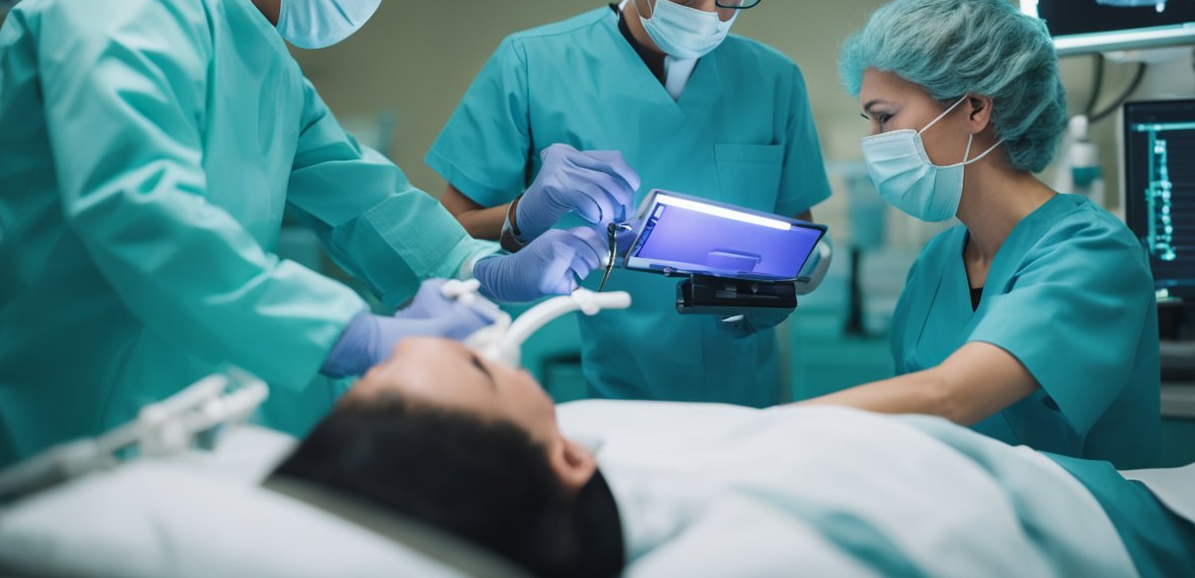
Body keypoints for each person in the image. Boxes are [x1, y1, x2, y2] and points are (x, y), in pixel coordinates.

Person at [0, 0, 605, 474]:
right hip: (43, 394)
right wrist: (352, 334)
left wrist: (476, 268)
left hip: (159, 402)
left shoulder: (265, 59)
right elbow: (141, 210)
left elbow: (364, 197)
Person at [426, 0, 831, 406]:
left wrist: (780, 289)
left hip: (741, 394)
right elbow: (446, 235)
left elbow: (796, 241)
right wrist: (523, 217)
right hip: (582, 389)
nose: (710, 6)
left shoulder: (774, 80)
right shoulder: (531, 63)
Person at [273, 336, 1195, 578]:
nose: (503, 354)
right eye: (482, 366)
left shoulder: (578, 427)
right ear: (561, 461)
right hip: (1124, 526)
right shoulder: (758, 551)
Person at [805, 0, 1160, 468]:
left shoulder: (1093, 252)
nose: (874, 143)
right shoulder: (936, 261)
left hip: (1083, 525)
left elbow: (948, 396)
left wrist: (761, 430)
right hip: (967, 514)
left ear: (975, 108)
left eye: (885, 118)